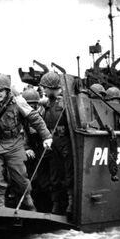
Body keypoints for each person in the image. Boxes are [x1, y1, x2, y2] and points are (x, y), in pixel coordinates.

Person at [0, 74, 52, 209]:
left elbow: (35, 118)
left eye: (1, 90)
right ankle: (0, 207)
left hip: (15, 143)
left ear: (7, 91)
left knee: (20, 178)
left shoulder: (18, 102)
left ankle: (29, 204)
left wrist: (47, 137)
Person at [40, 71, 73, 216]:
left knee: (68, 173)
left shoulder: (67, 102)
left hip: (65, 140)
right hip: (52, 141)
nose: (43, 90)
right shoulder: (47, 103)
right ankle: (56, 204)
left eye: (45, 88)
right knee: (54, 174)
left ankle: (71, 203)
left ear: (51, 87)